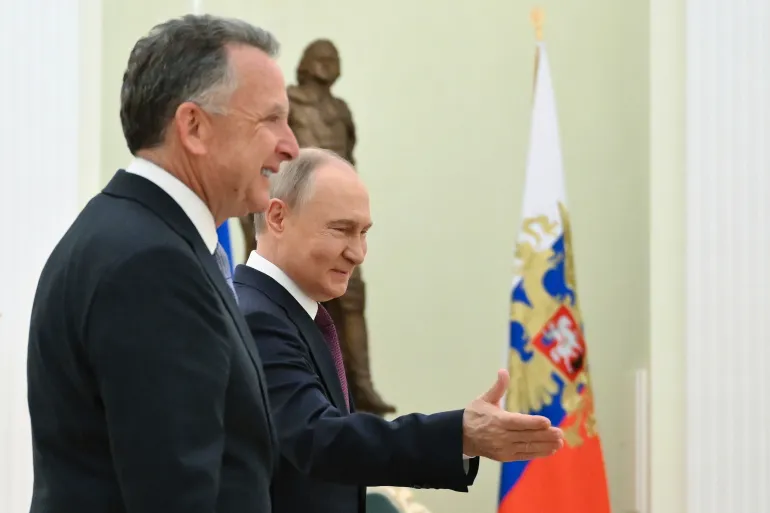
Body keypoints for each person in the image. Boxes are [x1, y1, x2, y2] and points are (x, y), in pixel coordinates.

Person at [26, 14, 298, 513]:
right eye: (270, 120)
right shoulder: (151, 265)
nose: (291, 145)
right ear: (193, 127)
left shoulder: (131, 233)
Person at [233, 148, 564, 513]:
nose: (358, 253)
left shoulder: (289, 314)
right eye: (341, 229)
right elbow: (319, 438)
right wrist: (460, 435)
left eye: (363, 233)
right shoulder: (256, 317)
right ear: (278, 217)